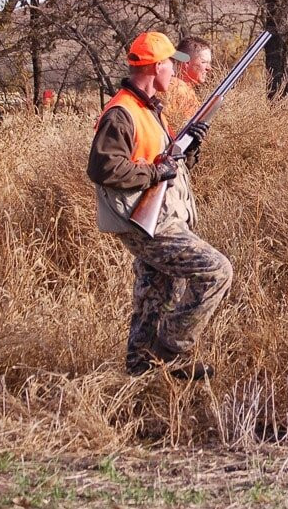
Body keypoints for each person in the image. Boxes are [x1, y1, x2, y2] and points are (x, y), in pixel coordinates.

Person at [87, 31, 232, 381]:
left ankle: (139, 374)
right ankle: (172, 351)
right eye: (170, 64)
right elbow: (103, 167)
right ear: (156, 66)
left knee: (156, 293)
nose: (174, 72)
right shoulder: (122, 112)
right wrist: (155, 171)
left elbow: (166, 167)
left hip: (156, 215)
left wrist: (189, 147)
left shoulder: (148, 108)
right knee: (216, 271)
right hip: (141, 219)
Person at [162, 36, 214, 130]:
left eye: (209, 63)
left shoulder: (185, 89)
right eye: (203, 62)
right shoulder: (177, 88)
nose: (208, 68)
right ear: (186, 64)